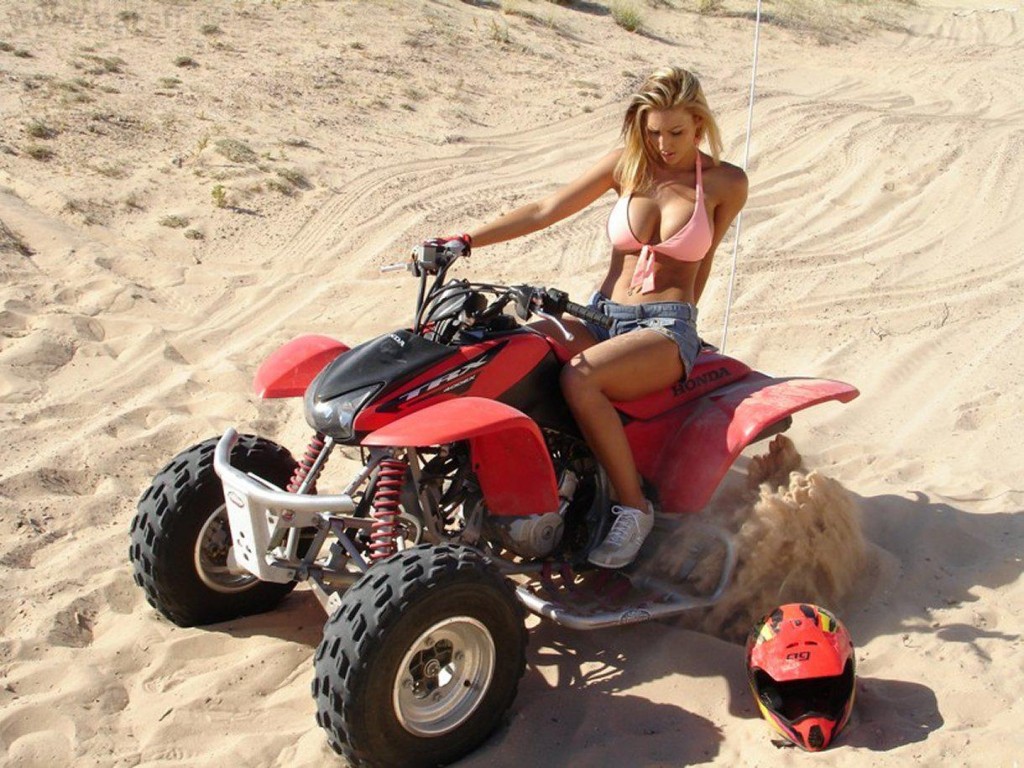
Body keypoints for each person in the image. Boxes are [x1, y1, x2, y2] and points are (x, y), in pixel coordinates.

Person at [442, 66, 748, 568]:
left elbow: (704, 260)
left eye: (675, 132)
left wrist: (688, 327)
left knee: (582, 380)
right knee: (506, 353)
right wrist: (464, 241)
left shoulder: (725, 183)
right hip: (600, 312)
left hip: (663, 326)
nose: (664, 145)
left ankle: (634, 506)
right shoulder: (627, 167)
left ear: (699, 124)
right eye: (652, 132)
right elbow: (545, 209)